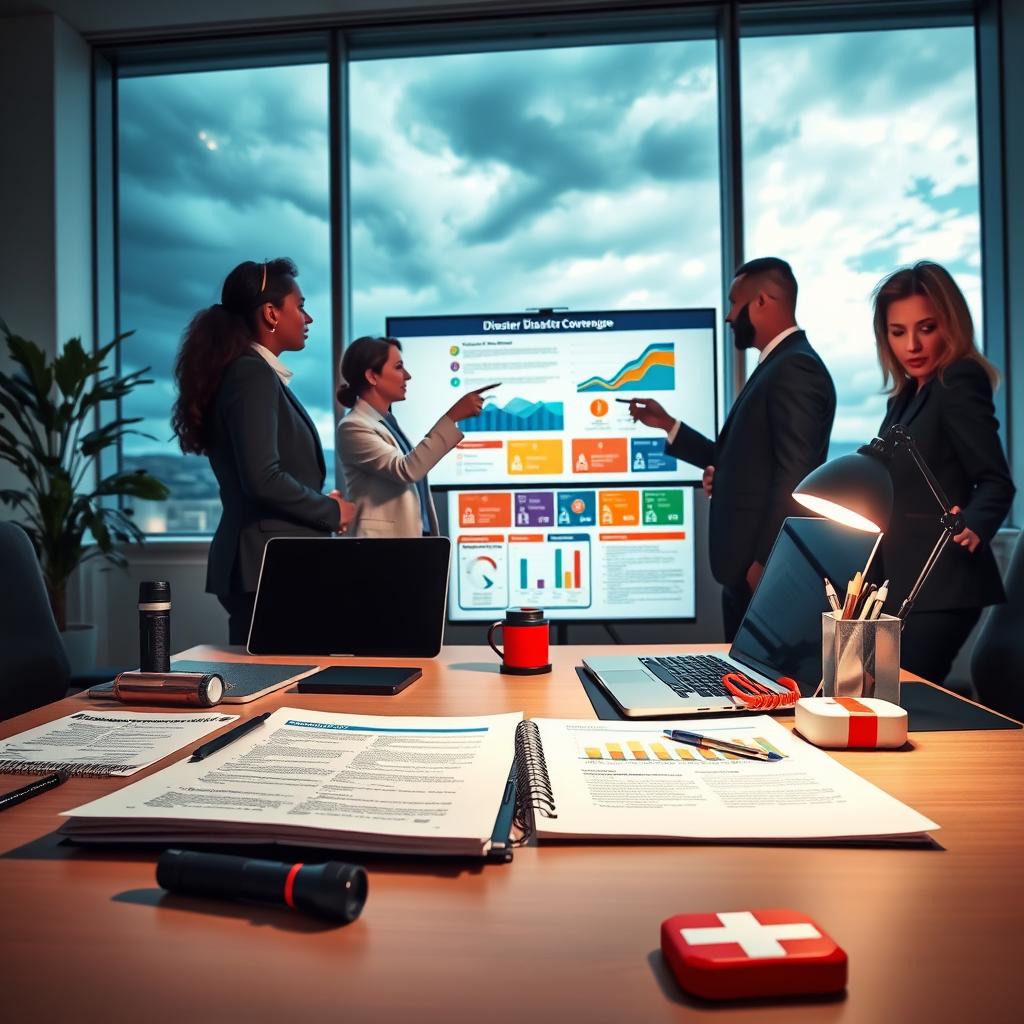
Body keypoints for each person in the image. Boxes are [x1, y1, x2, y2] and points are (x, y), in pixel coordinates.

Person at [628, 257, 836, 640]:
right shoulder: (778, 364)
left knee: (757, 689)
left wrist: (765, 561)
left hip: (758, 571)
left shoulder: (794, 369)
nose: (728, 317)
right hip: (745, 571)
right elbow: (745, 462)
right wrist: (668, 425)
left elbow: (796, 475)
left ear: (762, 302)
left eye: (734, 304)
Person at [172, 258, 355, 645]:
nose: (309, 318)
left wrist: (319, 501)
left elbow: (267, 474)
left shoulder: (250, 372)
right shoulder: (251, 373)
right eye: (300, 306)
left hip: (270, 564)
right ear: (271, 313)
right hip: (266, 566)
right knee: (276, 689)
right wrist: (331, 511)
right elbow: (262, 478)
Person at [871, 261, 1014, 686]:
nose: (912, 345)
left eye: (926, 327)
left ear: (950, 324)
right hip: (903, 582)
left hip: (944, 581)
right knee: (882, 699)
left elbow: (995, 480)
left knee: (905, 701)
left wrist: (974, 522)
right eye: (898, 332)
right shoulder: (904, 395)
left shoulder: (958, 381)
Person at [336, 336, 496, 537]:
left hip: (411, 543)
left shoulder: (386, 422)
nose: (407, 376)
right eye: (398, 367)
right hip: (380, 547)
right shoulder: (353, 426)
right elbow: (407, 470)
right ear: (372, 376)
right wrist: (452, 417)